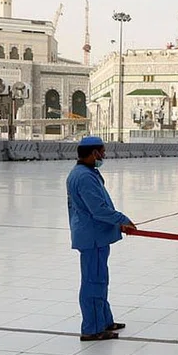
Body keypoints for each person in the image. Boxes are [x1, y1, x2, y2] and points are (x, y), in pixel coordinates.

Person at [66, 136, 136, 341]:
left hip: (95, 235)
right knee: (93, 282)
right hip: (92, 237)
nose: (104, 155)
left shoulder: (86, 172)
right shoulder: (84, 177)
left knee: (100, 279)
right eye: (102, 152)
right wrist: (122, 220)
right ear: (94, 153)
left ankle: (104, 320)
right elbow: (98, 209)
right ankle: (92, 328)